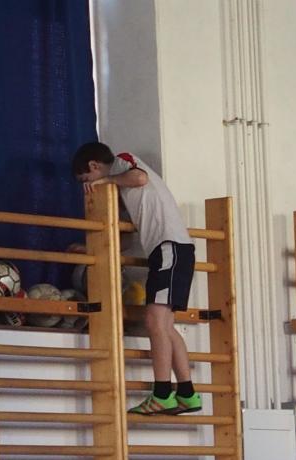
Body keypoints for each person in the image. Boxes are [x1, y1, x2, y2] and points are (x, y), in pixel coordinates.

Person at [72, 141, 201, 415]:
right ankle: (187, 393)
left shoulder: (122, 162)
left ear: (94, 165)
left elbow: (140, 177)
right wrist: (88, 249)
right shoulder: (122, 188)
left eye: (86, 180)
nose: (89, 186)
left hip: (170, 248)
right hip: (171, 251)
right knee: (166, 326)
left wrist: (106, 180)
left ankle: (162, 394)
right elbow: (127, 241)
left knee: (154, 322)